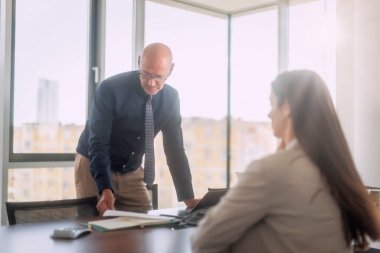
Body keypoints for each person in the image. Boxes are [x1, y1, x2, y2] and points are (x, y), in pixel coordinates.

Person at [191, 70, 380, 253]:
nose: (269, 114)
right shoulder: (337, 170)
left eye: (272, 103)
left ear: (287, 106)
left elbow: (204, 240)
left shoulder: (271, 169)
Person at [74, 42, 199, 214]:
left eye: (159, 77)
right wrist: (104, 188)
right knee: (97, 228)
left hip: (131, 169)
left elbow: (175, 149)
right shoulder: (110, 89)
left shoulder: (171, 98)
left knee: (144, 225)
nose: (151, 83)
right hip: (93, 164)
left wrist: (188, 197)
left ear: (171, 70)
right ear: (139, 61)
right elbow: (98, 142)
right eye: (146, 74)